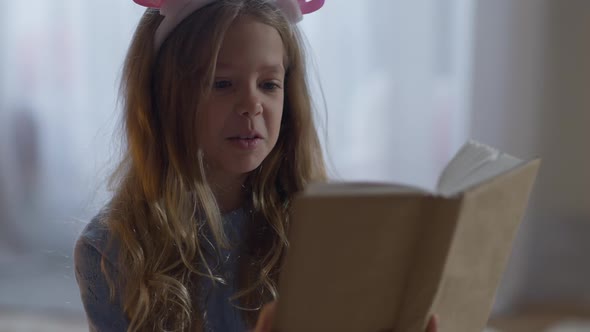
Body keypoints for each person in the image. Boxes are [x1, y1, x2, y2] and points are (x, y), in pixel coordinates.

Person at [74, 0, 439, 331]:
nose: (252, 104)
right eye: (221, 83)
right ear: (163, 97)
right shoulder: (110, 250)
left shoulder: (326, 232)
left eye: (268, 83)